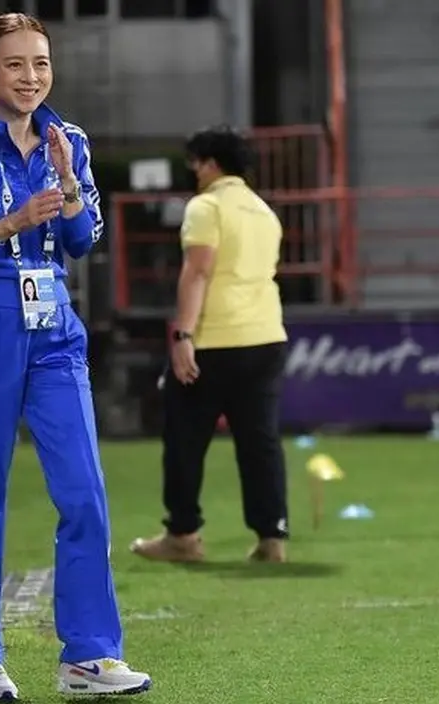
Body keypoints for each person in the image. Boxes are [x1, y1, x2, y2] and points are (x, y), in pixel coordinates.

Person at [0, 12, 151, 702]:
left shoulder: (67, 139)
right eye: (15, 65)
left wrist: (69, 184)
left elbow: (83, 240)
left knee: (84, 492)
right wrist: (12, 222)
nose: (30, 77)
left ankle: (88, 656)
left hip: (54, 321)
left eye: (41, 64)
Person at [130, 126, 290, 566]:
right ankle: (271, 536)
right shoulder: (263, 212)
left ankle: (183, 534)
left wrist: (183, 335)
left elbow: (198, 272)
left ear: (211, 163)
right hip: (266, 336)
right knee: (260, 442)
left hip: (216, 341)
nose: (193, 172)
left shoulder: (206, 207)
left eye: (196, 163)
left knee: (184, 438)